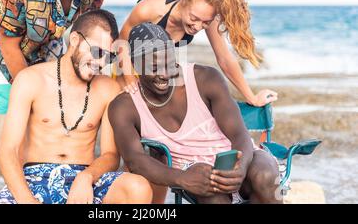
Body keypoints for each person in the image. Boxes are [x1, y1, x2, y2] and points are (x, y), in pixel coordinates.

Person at [0, 10, 152, 204]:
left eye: (107, 57)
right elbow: (7, 150)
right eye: (97, 52)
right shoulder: (30, 80)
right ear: (75, 39)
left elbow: (110, 155)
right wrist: (26, 200)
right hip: (34, 179)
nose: (100, 63)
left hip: (85, 178)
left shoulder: (108, 89)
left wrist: (86, 177)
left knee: (138, 187)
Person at [108, 22, 282, 204]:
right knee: (213, 199)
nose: (165, 74)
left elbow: (239, 133)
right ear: (136, 65)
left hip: (236, 156)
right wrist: (181, 178)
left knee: (265, 175)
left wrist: (241, 166)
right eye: (154, 68)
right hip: (192, 172)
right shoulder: (124, 107)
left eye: (169, 64)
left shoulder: (205, 78)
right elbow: (135, 160)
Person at [117, 0, 277, 107]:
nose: (198, 27)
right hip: (124, 65)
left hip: (153, 70)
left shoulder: (208, 18)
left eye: (205, 22)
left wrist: (252, 98)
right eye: (194, 18)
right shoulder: (149, 9)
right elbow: (121, 44)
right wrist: (130, 80)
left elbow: (225, 59)